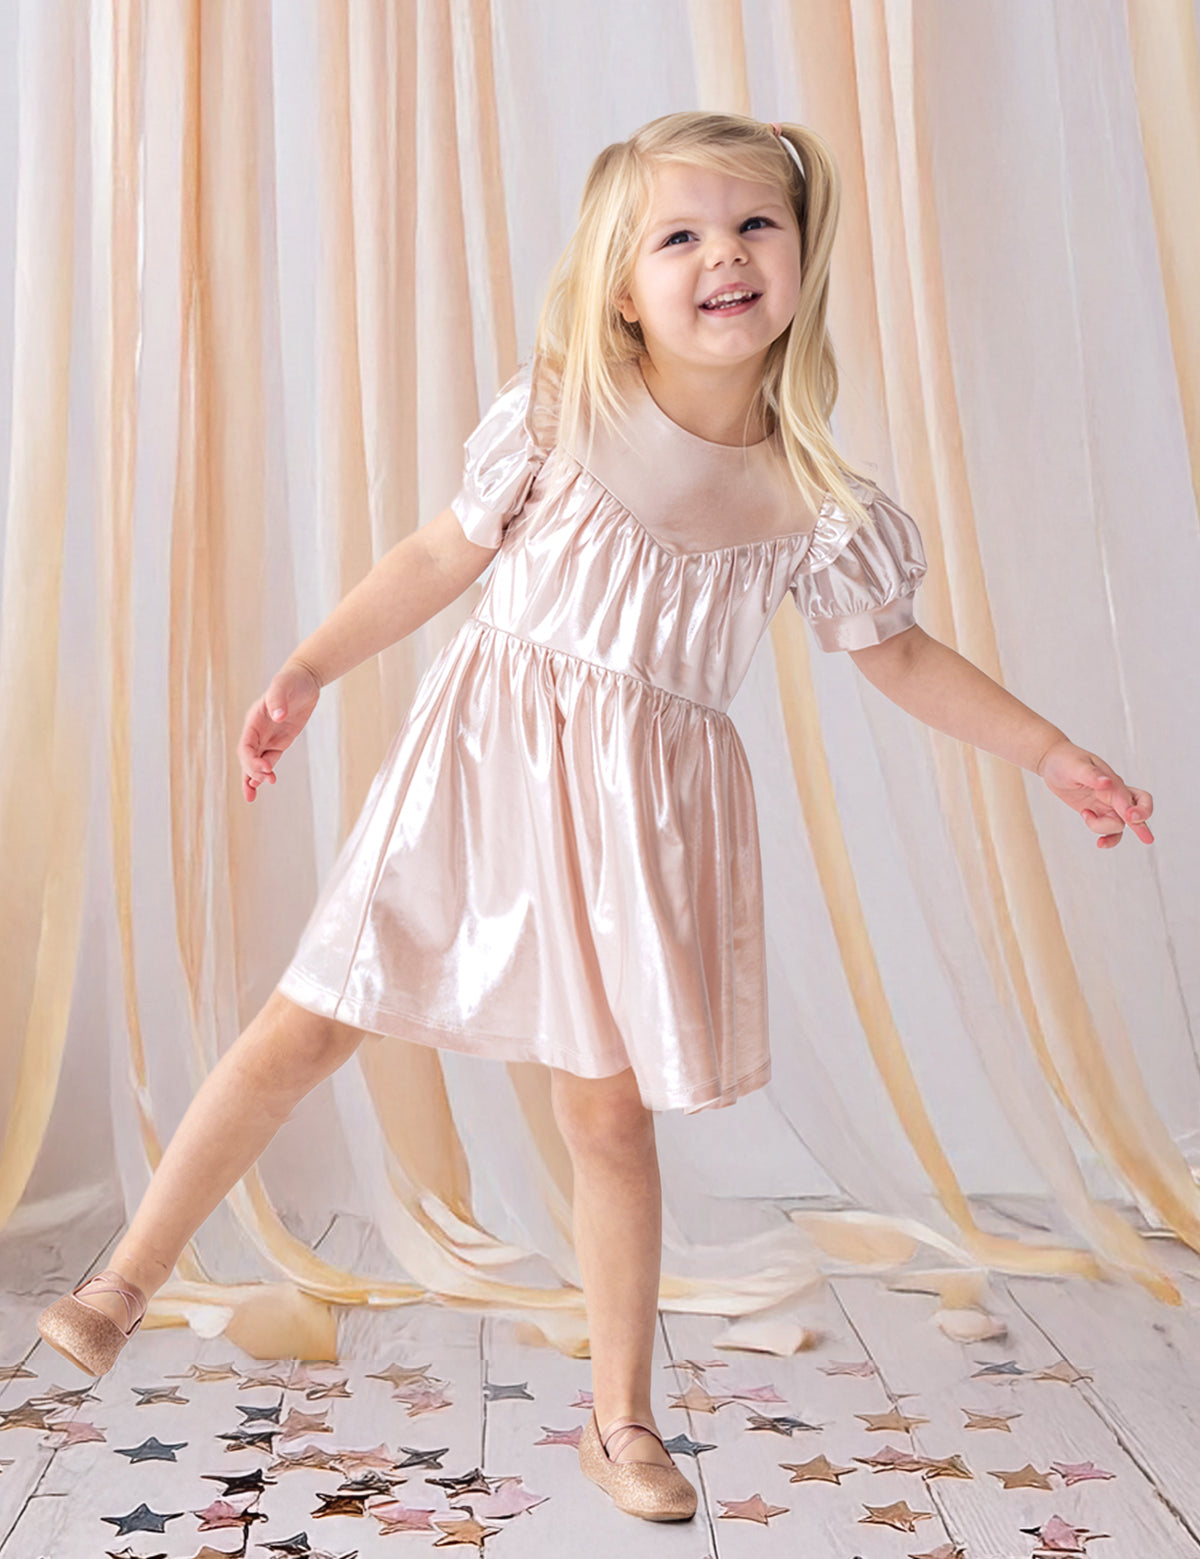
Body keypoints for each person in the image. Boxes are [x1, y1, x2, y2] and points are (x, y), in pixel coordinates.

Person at [37, 110, 1154, 1523]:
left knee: (607, 1116)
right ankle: (126, 1275)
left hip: (638, 830)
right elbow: (441, 551)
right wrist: (313, 666)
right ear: (622, 283)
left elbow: (902, 656)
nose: (722, 256)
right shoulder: (562, 413)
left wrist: (1050, 751)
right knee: (311, 1017)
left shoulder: (812, 499)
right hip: (480, 771)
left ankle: (620, 1420)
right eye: (678, 235)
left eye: (755, 226)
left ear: (803, 259)